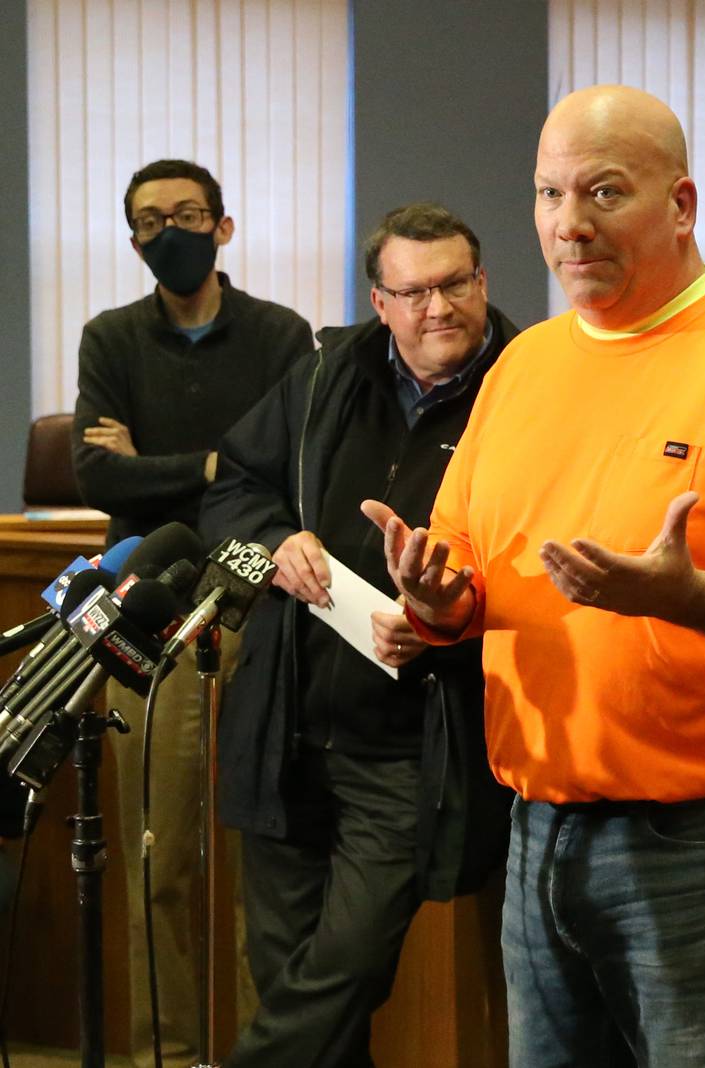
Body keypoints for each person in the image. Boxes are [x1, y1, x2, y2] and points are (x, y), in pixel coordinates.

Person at [362, 85, 705, 1067]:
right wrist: (440, 601)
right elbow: (470, 569)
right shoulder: (523, 366)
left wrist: (692, 599)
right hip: (538, 832)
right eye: (547, 194)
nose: (568, 225)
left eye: (604, 192)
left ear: (682, 203)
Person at [201, 202, 518, 1067]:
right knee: (289, 978)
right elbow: (229, 493)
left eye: (454, 284)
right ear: (379, 302)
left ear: (482, 282)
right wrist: (273, 545)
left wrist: (451, 626)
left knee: (341, 972)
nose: (437, 308)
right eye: (413, 291)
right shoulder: (323, 374)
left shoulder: (529, 388)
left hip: (411, 744)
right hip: (286, 724)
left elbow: (554, 572)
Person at [70, 158, 313, 1066]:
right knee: (155, 857)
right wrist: (219, 464)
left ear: (225, 225)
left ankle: (266, 1052)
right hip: (147, 607)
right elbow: (97, 475)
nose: (169, 231)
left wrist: (167, 462)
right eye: (150, 220)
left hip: (258, 600)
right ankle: (163, 1056)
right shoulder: (111, 338)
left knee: (264, 861)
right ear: (133, 239)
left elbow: (291, 469)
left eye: (189, 214)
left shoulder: (283, 336)